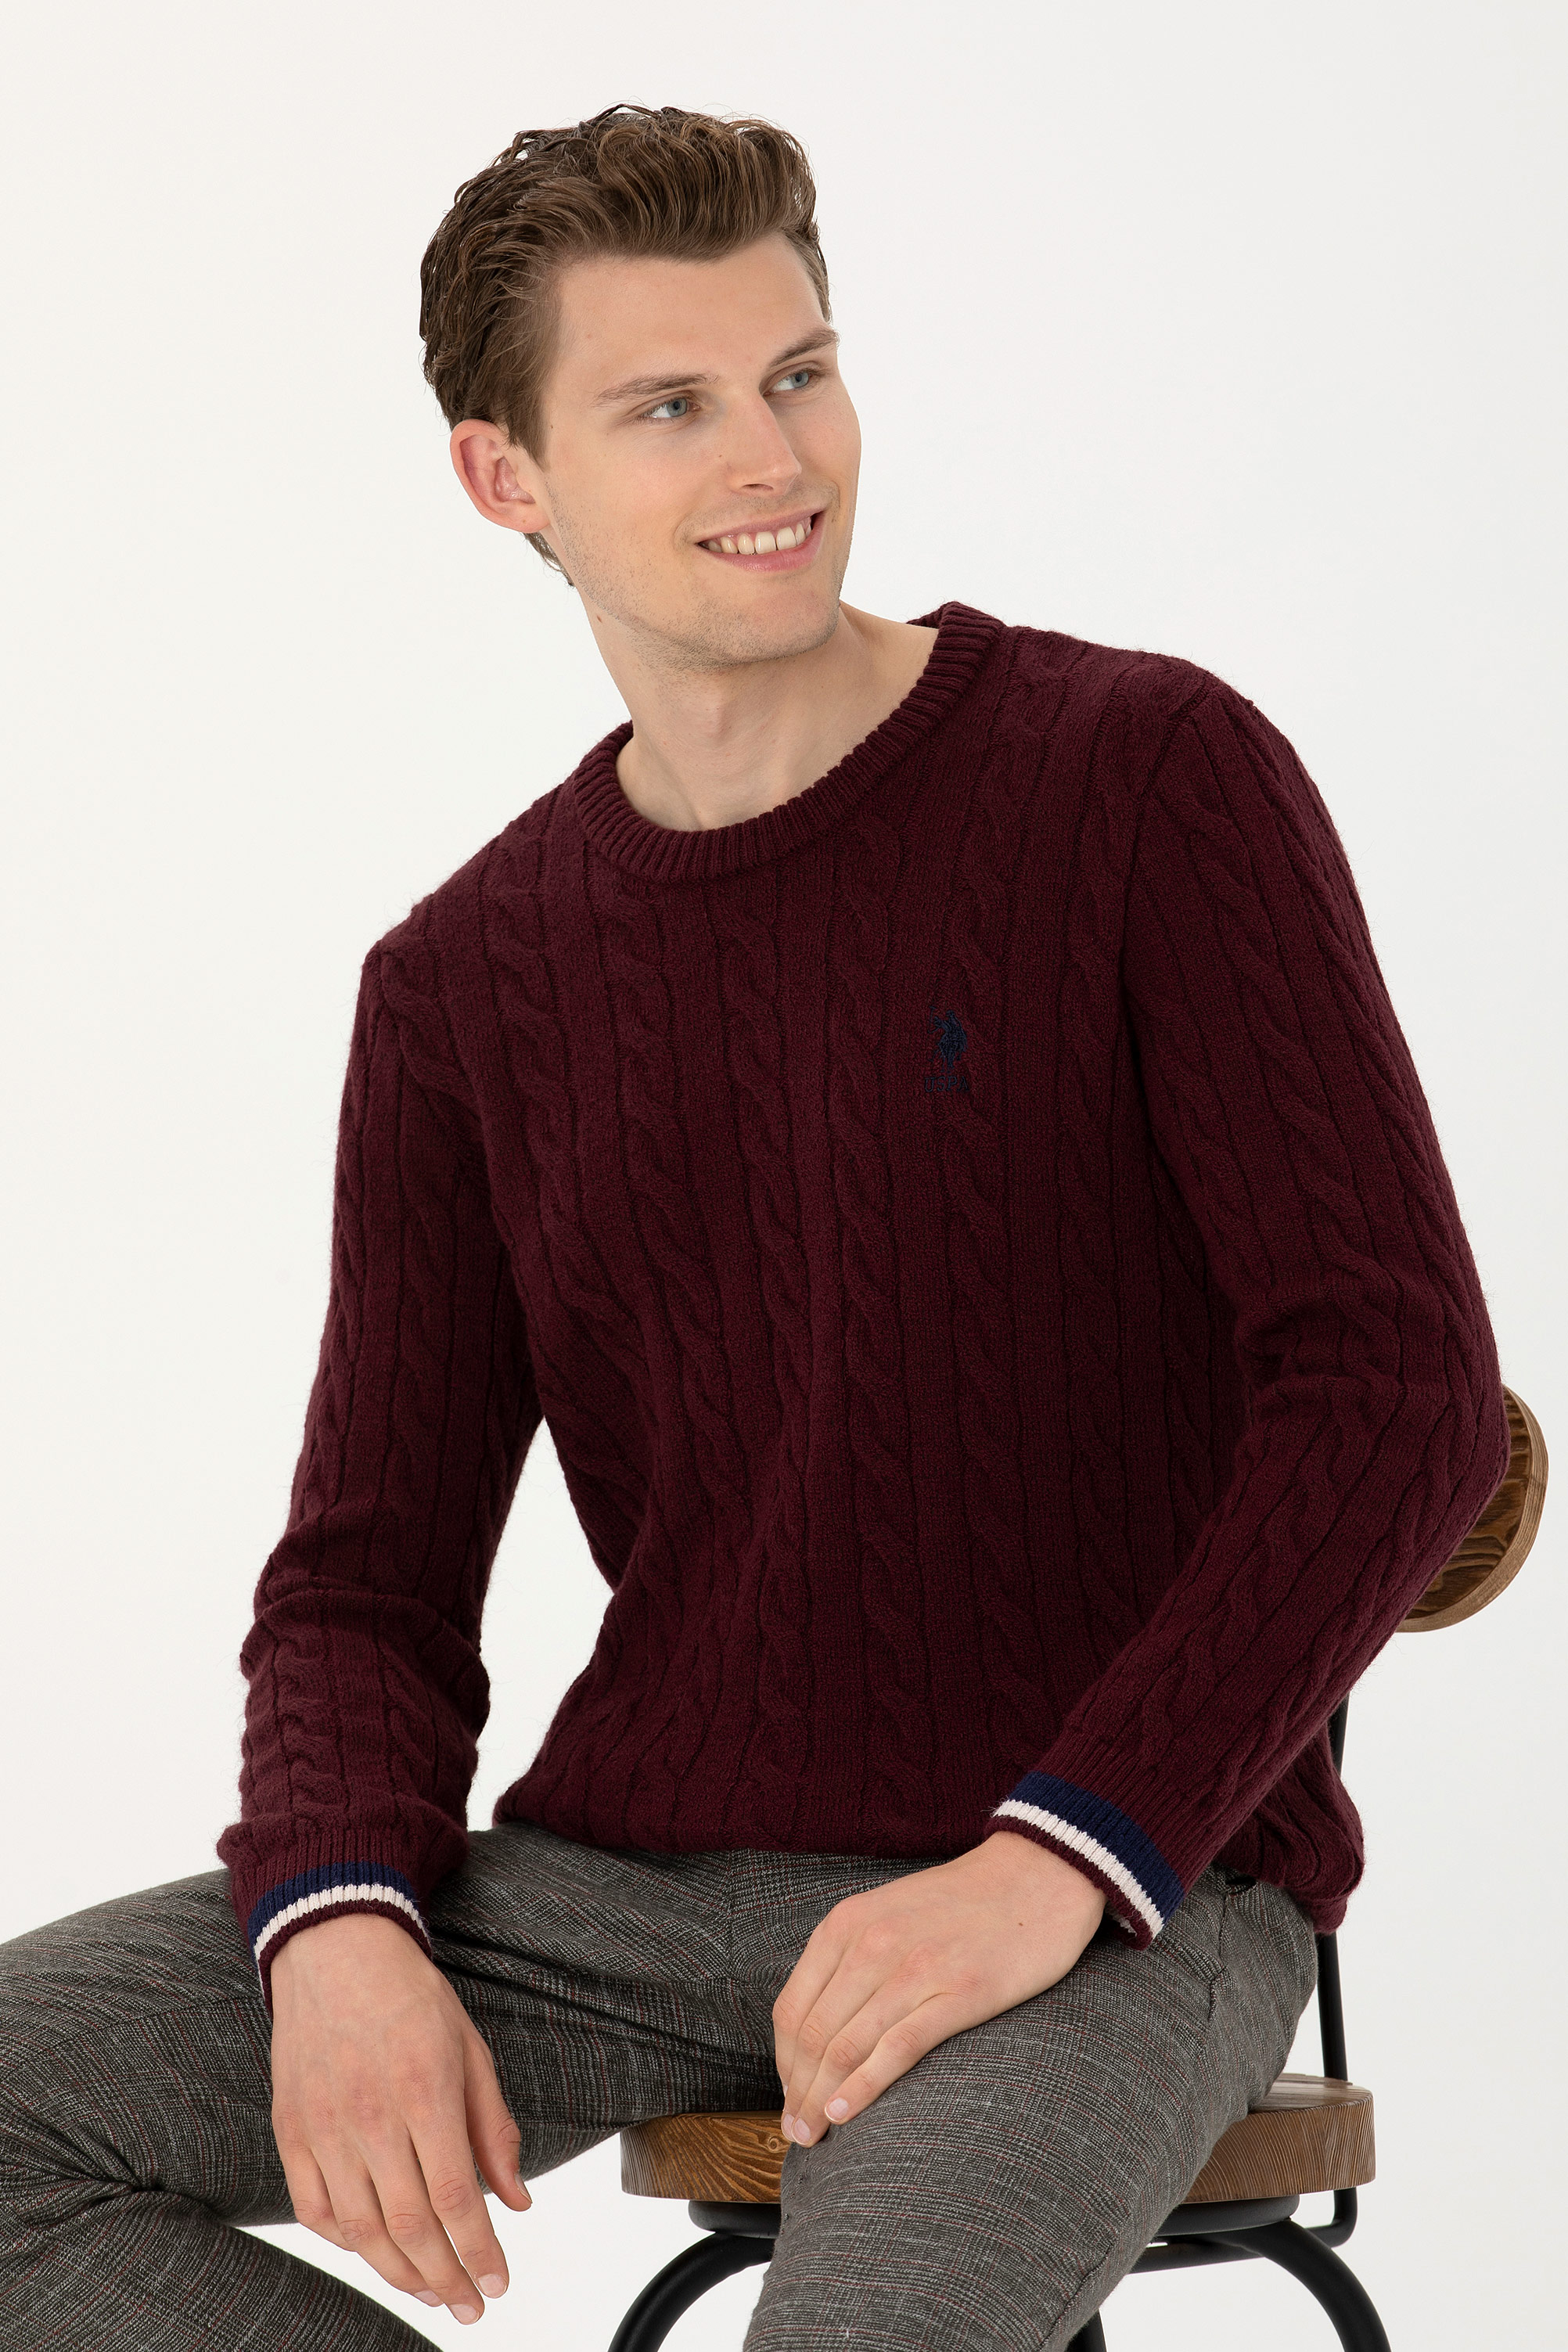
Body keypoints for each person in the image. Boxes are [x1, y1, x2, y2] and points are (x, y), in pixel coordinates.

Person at [0, 103, 1511, 2352]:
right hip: (627, 1891)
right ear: (504, 477)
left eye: (799, 372)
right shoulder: (466, 985)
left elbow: (1394, 1396)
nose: (772, 455)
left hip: (1118, 1885)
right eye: (669, 406)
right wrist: (335, 1919)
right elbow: (364, 1586)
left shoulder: (1143, 779)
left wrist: (1055, 1857)